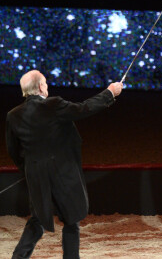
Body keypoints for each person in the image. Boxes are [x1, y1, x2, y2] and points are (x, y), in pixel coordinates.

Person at [5, 70, 123, 259]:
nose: (47, 86)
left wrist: (30, 169)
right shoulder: (53, 104)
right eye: (45, 83)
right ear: (41, 87)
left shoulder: (13, 115)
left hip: (36, 175)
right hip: (62, 173)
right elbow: (83, 109)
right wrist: (109, 92)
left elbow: (13, 150)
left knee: (37, 220)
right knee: (71, 220)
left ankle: (18, 257)